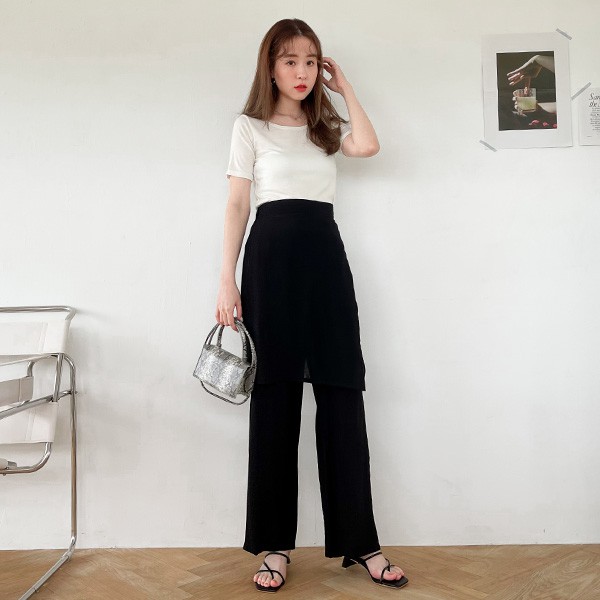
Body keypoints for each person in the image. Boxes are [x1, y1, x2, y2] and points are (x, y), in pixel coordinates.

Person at [216, 18, 408, 593]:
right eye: (289, 61)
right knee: (274, 403)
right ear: (270, 67)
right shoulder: (249, 127)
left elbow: (368, 145)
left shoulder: (325, 129)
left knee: (342, 396)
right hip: (270, 268)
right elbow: (237, 204)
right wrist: (225, 281)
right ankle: (274, 547)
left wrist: (343, 88)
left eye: (310, 61)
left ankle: (362, 542)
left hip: (326, 266)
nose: (300, 72)